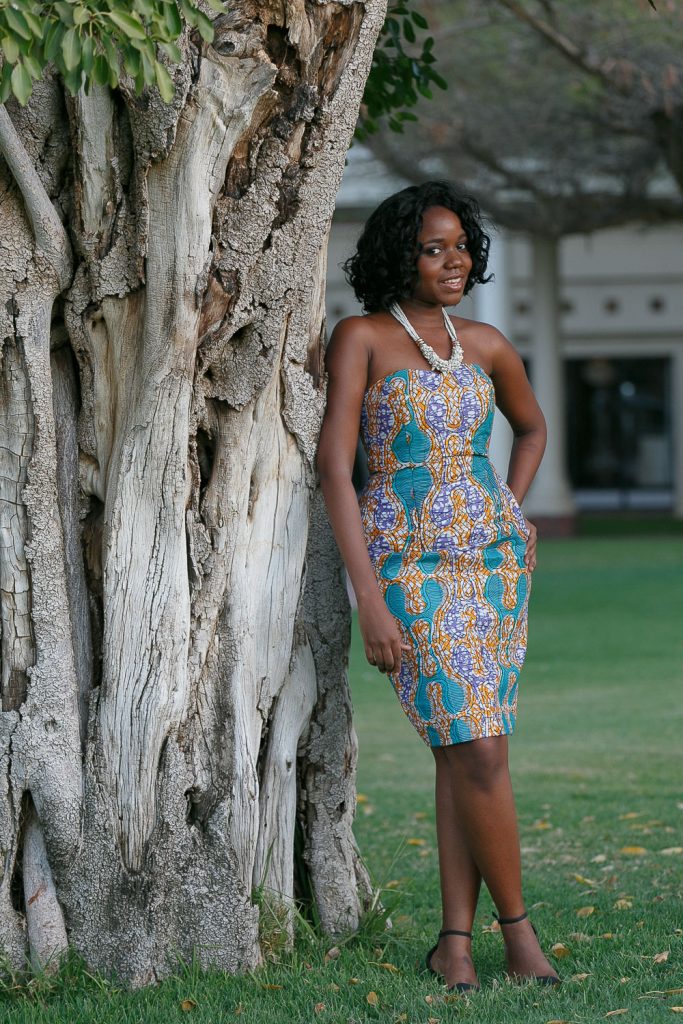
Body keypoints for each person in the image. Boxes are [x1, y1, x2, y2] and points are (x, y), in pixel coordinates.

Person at [317, 181, 559, 992]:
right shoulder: (360, 338)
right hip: (408, 569)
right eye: (433, 247)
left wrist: (509, 510)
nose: (453, 260)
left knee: (466, 751)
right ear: (399, 254)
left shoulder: (486, 344)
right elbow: (333, 469)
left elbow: (531, 428)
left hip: (491, 564)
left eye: (461, 245)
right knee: (480, 748)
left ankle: (453, 943)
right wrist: (368, 597)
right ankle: (517, 935)